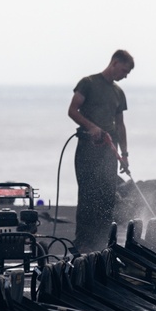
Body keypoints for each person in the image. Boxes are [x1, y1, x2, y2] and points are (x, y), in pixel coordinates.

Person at [67, 50, 133, 252]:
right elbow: (72, 111)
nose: (125, 75)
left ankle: (102, 245)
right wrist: (92, 127)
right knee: (88, 196)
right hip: (88, 148)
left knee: (106, 197)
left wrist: (124, 154)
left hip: (108, 151)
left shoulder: (118, 92)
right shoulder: (88, 83)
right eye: (124, 70)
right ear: (114, 63)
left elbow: (120, 125)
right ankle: (82, 245)